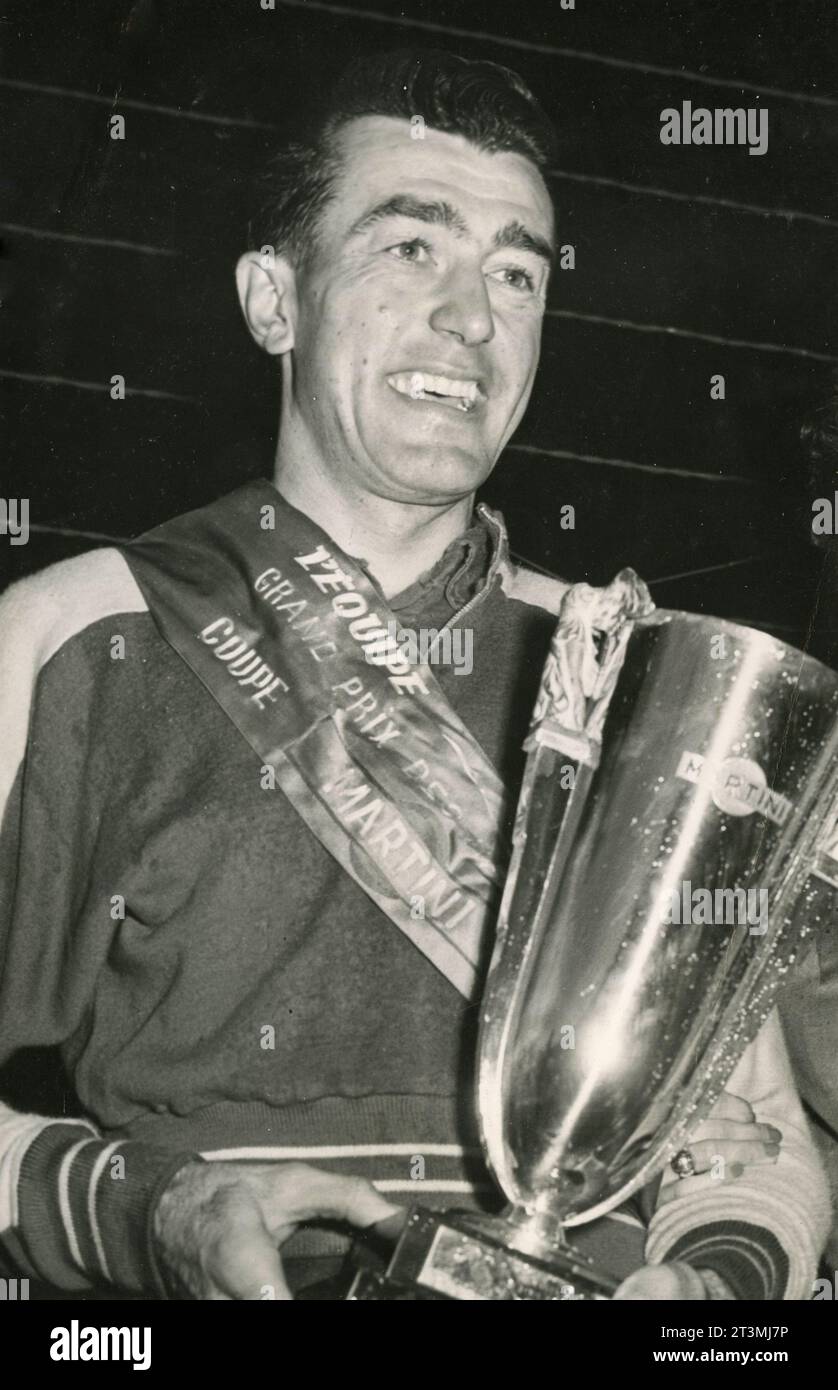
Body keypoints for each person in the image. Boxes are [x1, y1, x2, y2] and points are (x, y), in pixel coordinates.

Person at [0, 48, 829, 1301]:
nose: (472, 318)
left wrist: (711, 1289)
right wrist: (148, 1208)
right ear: (273, 301)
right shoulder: (78, 639)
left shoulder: (626, 672)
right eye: (408, 249)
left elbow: (742, 1140)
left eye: (515, 271)